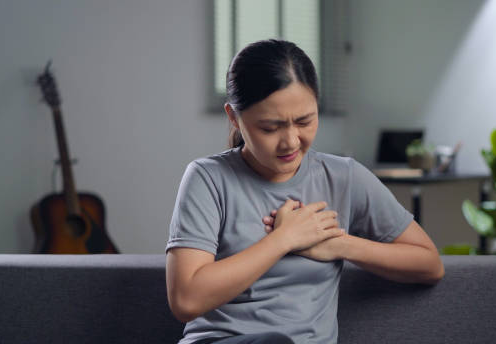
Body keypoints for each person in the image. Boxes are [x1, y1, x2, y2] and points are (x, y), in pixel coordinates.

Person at [165, 39, 444, 344]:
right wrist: (284, 239)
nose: (291, 142)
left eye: (304, 121)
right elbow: (186, 300)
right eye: (270, 128)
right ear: (234, 117)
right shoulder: (208, 178)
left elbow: (429, 264)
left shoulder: (344, 178)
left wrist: (340, 245)